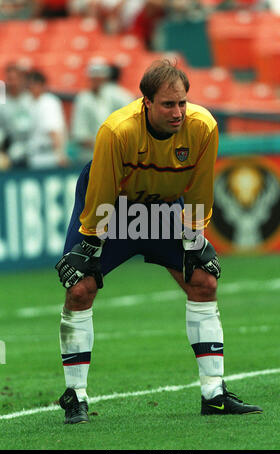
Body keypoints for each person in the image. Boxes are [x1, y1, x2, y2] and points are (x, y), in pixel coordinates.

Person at [55, 59, 263, 424]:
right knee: (80, 288)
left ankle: (213, 392)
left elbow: (199, 190)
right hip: (114, 208)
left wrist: (194, 234)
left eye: (182, 102)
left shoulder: (204, 127)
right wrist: (89, 243)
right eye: (168, 104)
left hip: (164, 211)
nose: (178, 112)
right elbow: (101, 193)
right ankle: (76, 395)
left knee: (203, 281)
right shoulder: (116, 131)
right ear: (146, 103)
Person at [71, 58, 134, 163]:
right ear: (90, 79)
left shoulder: (110, 96)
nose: (98, 82)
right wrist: (106, 146)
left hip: (111, 156)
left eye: (101, 78)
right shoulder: (83, 99)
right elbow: (80, 136)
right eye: (95, 78)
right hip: (90, 157)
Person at [26, 69, 69, 169]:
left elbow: (54, 131)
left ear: (41, 85)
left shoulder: (48, 102)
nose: (30, 88)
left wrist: (60, 154)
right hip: (34, 155)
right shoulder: (30, 102)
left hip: (49, 156)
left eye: (33, 84)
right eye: (29, 85)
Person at [0, 63, 32, 169]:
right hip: (11, 151)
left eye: (15, 79)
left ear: (22, 79)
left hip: (33, 149)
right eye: (9, 79)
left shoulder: (31, 99)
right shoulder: (2, 103)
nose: (12, 83)